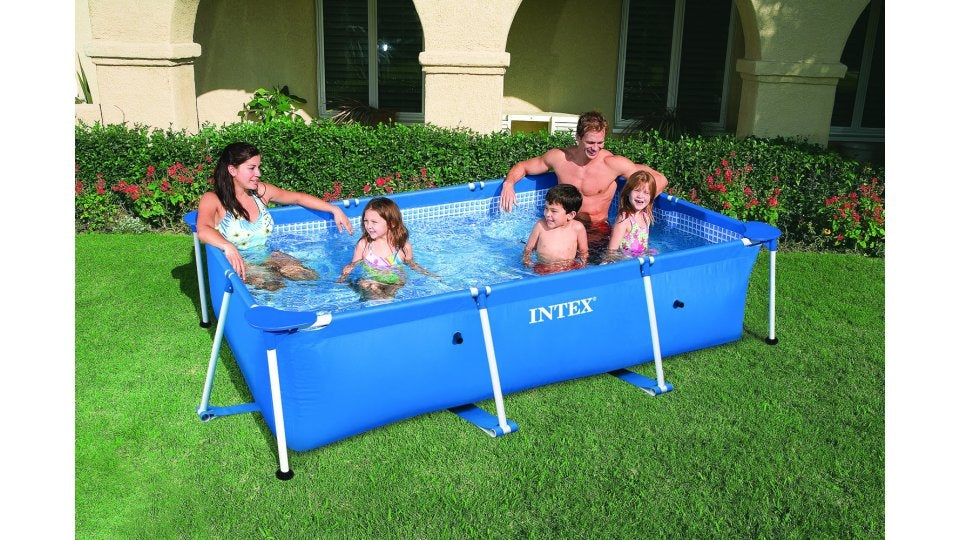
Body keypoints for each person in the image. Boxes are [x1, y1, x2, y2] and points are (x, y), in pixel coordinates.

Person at [499, 111, 668, 258]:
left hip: (597, 230)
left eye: (600, 143)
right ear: (578, 137)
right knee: (546, 257)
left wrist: (637, 202)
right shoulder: (560, 158)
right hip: (566, 225)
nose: (596, 148)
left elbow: (660, 179)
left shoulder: (613, 164)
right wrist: (509, 183)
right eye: (590, 142)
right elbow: (524, 166)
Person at [196, 142, 354, 290]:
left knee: (308, 276)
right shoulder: (213, 199)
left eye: (258, 167)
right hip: (241, 262)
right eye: (251, 168)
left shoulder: (260, 192)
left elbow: (297, 198)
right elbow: (203, 229)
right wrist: (228, 246)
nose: (258, 173)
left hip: (267, 255)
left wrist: (334, 209)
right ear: (232, 170)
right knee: (273, 284)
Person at [337, 197, 439, 299]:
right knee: (366, 284)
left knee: (390, 285)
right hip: (371, 281)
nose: (368, 226)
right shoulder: (364, 245)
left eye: (374, 222)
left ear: (392, 223)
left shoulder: (403, 247)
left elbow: (413, 265)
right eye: (366, 221)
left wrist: (429, 275)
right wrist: (342, 277)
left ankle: (381, 299)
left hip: (395, 283)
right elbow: (353, 264)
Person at [522, 184, 589, 275]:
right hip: (543, 268)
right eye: (546, 208)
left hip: (569, 269)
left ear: (570, 215)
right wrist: (527, 262)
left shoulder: (577, 228)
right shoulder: (540, 226)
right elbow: (528, 248)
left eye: (553, 211)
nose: (547, 214)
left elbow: (583, 252)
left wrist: (583, 266)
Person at [605, 170, 658, 262]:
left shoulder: (646, 217)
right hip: (625, 261)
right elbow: (612, 251)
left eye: (646, 193)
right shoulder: (624, 218)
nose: (640, 196)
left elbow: (643, 244)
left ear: (651, 197)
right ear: (628, 192)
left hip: (639, 260)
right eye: (637, 190)